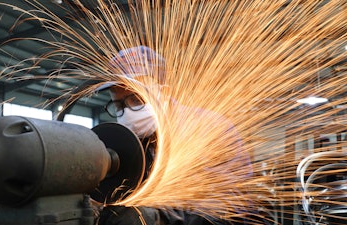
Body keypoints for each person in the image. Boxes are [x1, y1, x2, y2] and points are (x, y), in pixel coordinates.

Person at [95, 46, 253, 225]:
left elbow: (230, 205)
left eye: (137, 99)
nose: (128, 112)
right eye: (118, 105)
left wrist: (160, 218)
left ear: (165, 92)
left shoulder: (208, 129)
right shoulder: (129, 144)